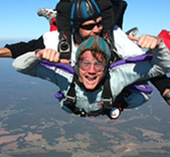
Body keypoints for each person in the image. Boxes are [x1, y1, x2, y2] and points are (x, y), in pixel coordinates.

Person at [0, 0, 170, 105]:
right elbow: (23, 49)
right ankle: (55, 21)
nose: (96, 30)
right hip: (67, 46)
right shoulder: (57, 40)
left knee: (123, 62)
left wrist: (166, 91)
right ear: (75, 27)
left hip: (113, 60)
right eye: (89, 26)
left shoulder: (113, 35)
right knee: (57, 49)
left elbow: (148, 68)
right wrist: (37, 54)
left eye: (99, 23)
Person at [13, 35, 170, 119]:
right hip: (76, 106)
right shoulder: (64, 76)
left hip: (110, 103)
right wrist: (37, 55)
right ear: (76, 65)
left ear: (108, 67)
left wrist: (159, 45)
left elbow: (162, 67)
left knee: (140, 97)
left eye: (99, 64)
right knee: (66, 106)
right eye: (85, 63)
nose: (92, 70)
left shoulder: (117, 75)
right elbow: (19, 66)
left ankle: (122, 45)